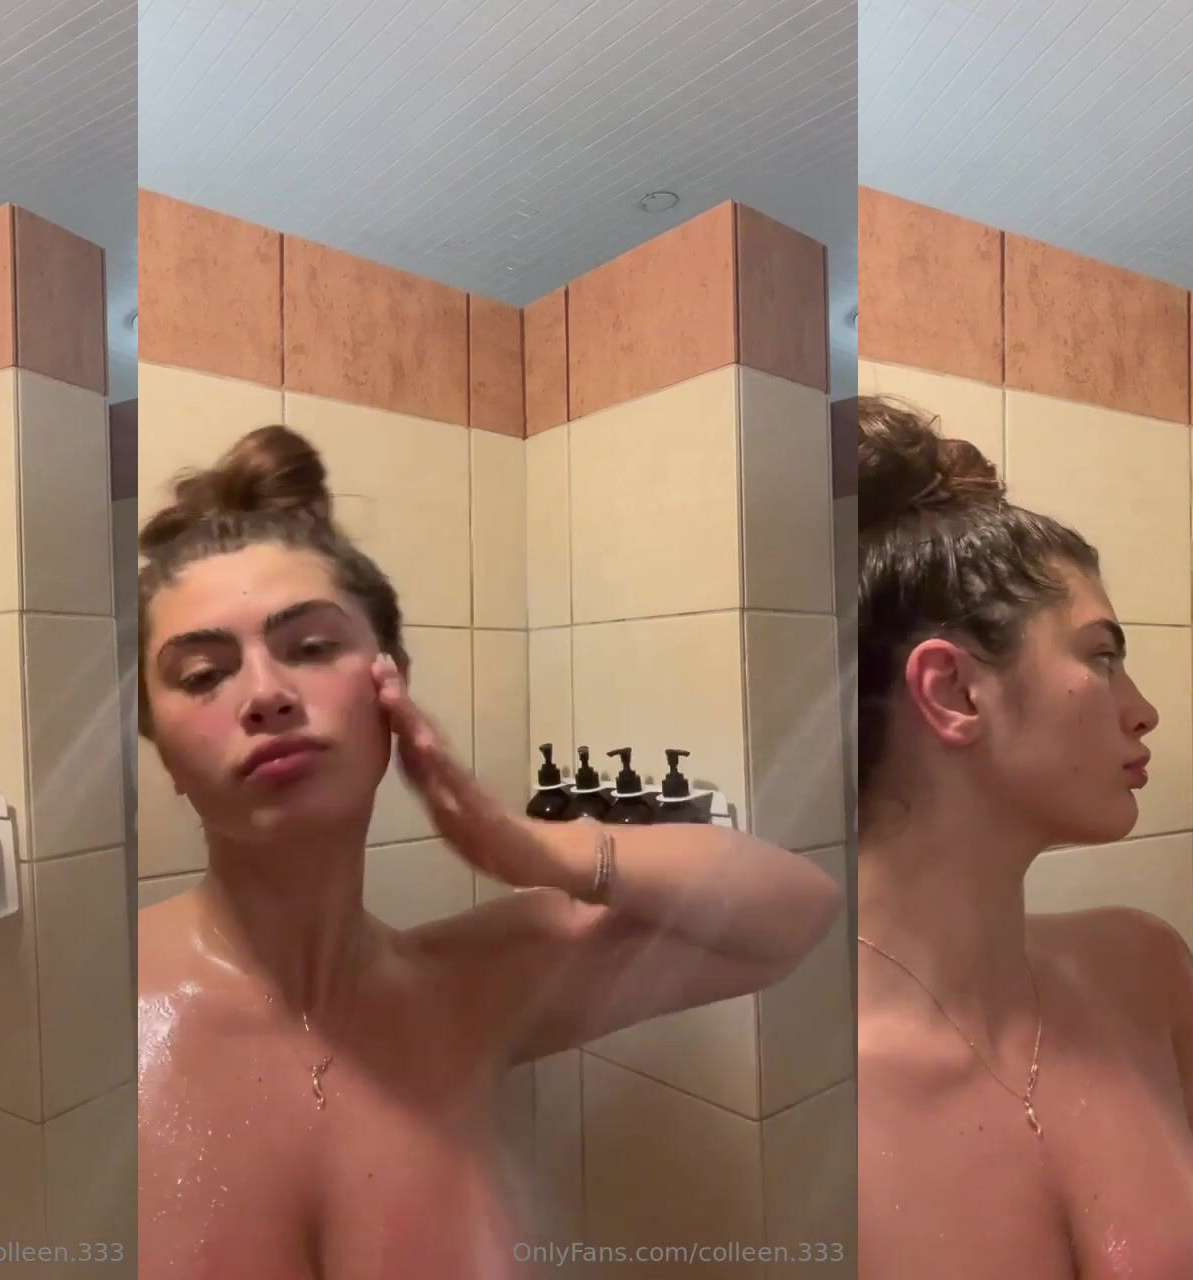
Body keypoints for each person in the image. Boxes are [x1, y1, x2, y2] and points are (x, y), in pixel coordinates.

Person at [133, 425, 844, 1277]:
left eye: (312, 647)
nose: (266, 693)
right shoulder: (105, 1018)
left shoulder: (467, 990)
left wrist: (532, 846)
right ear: (160, 749)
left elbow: (797, 913)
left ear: (391, 686)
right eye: (203, 673)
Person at [845, 396, 1193, 1278]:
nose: (1143, 710)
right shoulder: (809, 1106)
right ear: (954, 693)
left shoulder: (1145, 969)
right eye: (1101, 656)